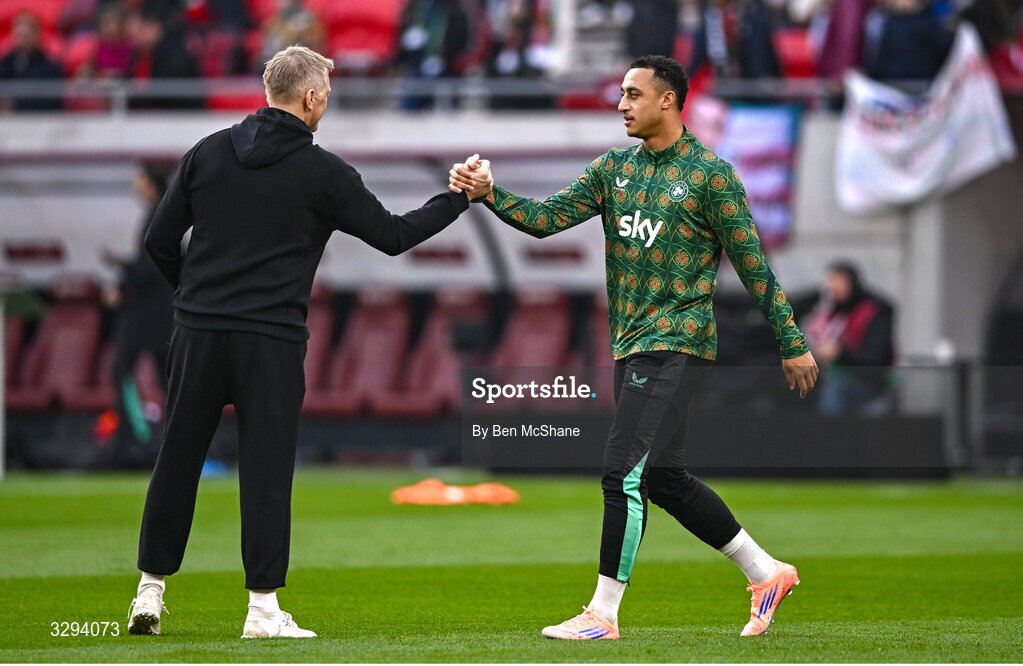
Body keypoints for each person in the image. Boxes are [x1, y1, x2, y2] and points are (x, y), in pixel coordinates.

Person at [449, 55, 818, 639]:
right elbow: (546, 220)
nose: (621, 103)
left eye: (632, 93)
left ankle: (602, 614)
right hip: (631, 345)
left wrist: (792, 342)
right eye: (621, 93)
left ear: (668, 100)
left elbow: (754, 268)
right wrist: (491, 194)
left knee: (621, 471)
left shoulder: (709, 175)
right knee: (665, 477)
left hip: (679, 342)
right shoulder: (612, 169)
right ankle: (766, 572)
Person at [127, 46, 475, 639]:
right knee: (265, 470)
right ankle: (262, 611)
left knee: (177, 458)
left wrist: (194, 296)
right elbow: (393, 236)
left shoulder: (206, 152)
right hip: (271, 339)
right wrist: (459, 197)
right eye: (327, 96)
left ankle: (149, 594)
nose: (327, 105)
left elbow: (159, 240)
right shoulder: (325, 173)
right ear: (311, 97)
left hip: (200, 330)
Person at [100, 162, 176, 467]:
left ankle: (136, 437)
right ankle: (173, 442)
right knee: (168, 379)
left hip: (151, 313)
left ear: (151, 183)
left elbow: (152, 264)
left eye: (139, 178)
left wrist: (122, 274)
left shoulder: (158, 215)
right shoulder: (161, 213)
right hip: (160, 311)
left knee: (122, 370)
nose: (135, 184)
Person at [807, 262, 894, 415]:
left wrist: (840, 352)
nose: (832, 288)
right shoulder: (833, 313)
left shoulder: (873, 313)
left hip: (868, 383)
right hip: (831, 376)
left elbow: (874, 359)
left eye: (838, 282)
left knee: (836, 388)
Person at [0, 12, 63, 111]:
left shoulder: (50, 68)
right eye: (19, 35)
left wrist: (16, 105)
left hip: (37, 122)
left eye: (26, 35)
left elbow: (50, 102)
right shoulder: (5, 63)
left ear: (37, 34)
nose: (22, 40)